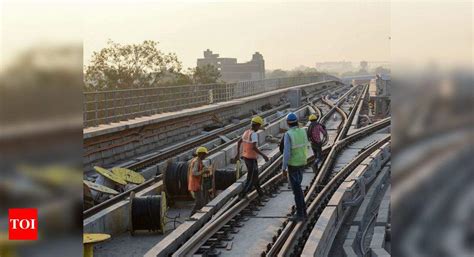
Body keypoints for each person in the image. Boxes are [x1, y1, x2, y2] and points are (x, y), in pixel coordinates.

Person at [234, 116, 270, 199]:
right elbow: (254, 147)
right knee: (251, 179)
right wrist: (264, 155)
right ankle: (242, 194)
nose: (259, 128)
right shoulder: (253, 134)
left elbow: (239, 142)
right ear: (257, 125)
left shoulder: (246, 132)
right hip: (251, 159)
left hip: (246, 157)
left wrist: (238, 153)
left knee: (255, 177)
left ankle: (260, 193)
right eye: (259, 126)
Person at [282, 112, 309, 222]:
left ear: (288, 123)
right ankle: (303, 211)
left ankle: (300, 214)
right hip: (302, 162)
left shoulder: (288, 134)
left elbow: (286, 153)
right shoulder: (303, 131)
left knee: (296, 190)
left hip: (293, 165)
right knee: (298, 189)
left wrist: (283, 168)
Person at [188, 146, 211, 216]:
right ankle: (191, 215)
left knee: (201, 201)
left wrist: (206, 169)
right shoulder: (196, 162)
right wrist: (202, 172)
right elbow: (194, 173)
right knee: (199, 202)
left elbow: (203, 167)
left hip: (197, 184)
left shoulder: (199, 161)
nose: (205, 156)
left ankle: (199, 214)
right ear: (200, 154)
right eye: (204, 154)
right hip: (195, 184)